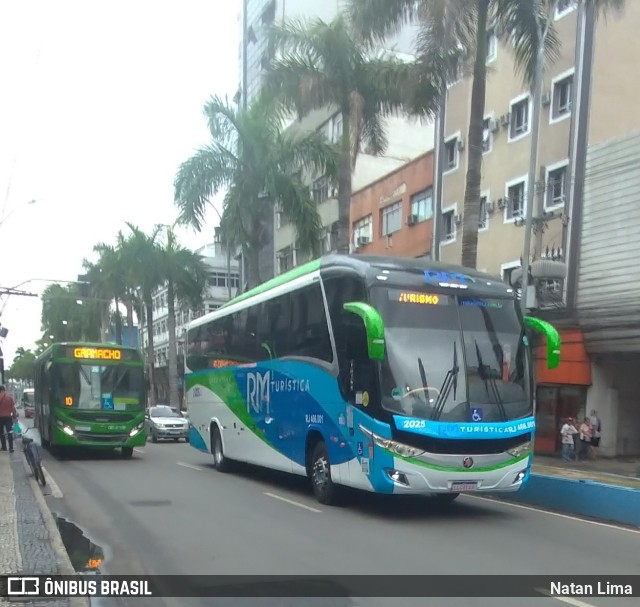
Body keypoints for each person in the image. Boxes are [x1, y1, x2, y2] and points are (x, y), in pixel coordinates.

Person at [0, 385, 19, 453]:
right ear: (4, 390)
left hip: (0, 417)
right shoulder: (9, 397)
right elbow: (13, 408)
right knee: (9, 432)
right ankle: (11, 448)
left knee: (1, 432)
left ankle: (4, 447)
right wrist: (14, 417)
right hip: (8, 417)